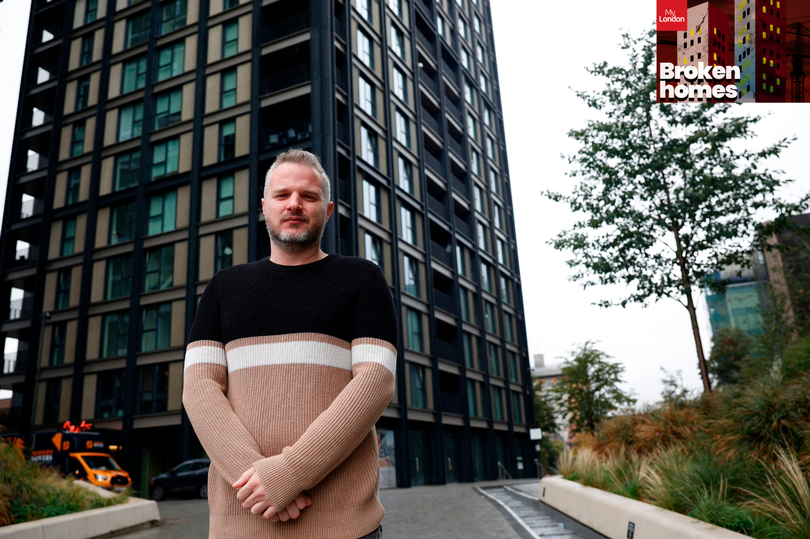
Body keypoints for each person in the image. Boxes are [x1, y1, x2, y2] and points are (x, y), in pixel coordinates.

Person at [183, 149, 397, 539]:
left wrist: (289, 474)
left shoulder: (362, 279)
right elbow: (198, 390)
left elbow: (375, 383)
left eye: (309, 196)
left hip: (346, 529)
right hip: (240, 527)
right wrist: (264, 482)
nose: (294, 204)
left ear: (328, 210)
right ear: (264, 207)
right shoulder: (223, 286)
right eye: (282, 195)